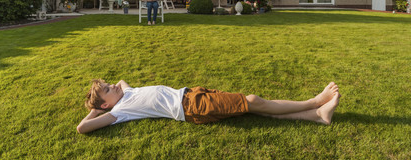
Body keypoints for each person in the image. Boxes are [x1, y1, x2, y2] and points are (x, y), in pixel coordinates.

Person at [76, 79, 341, 134]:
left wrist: (115, 90)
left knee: (252, 109)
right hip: (192, 107)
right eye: (109, 90)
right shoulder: (119, 112)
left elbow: (122, 81)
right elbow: (82, 128)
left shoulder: (126, 93)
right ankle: (315, 102)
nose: (115, 86)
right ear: (104, 103)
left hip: (192, 94)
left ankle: (316, 116)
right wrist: (97, 109)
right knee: (252, 101)